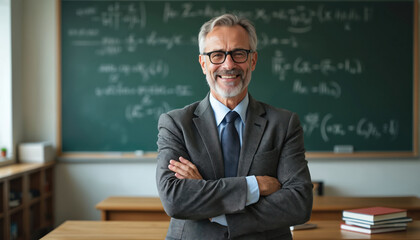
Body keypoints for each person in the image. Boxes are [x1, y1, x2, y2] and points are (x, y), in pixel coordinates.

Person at [156, 13, 313, 240]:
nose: (228, 65)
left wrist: (218, 210)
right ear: (203, 63)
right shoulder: (176, 124)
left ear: (253, 60)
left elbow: (299, 202)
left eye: (239, 54)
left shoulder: (284, 124)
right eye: (217, 55)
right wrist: (255, 186)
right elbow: (174, 199)